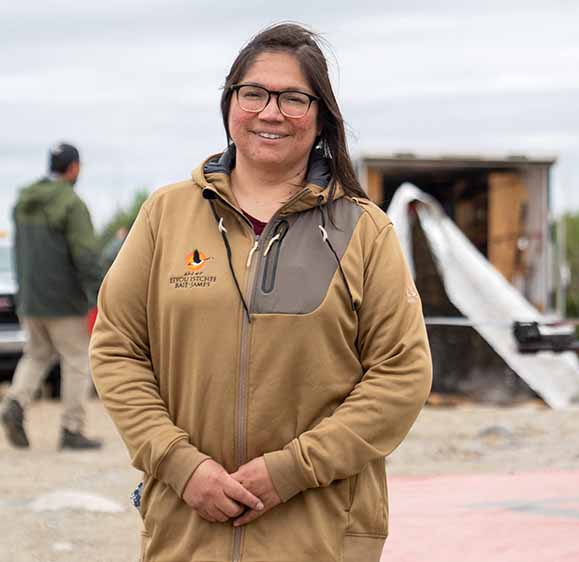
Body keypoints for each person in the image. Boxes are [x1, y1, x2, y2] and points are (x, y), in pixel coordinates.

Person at [89, 24, 432, 562]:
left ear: (321, 117)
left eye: (294, 98)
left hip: (319, 535)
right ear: (230, 105)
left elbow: (402, 375)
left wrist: (292, 470)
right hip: (186, 531)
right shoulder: (165, 214)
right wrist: (181, 464)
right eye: (254, 94)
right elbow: (116, 349)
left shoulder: (364, 230)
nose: (270, 112)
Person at [0, 142, 104, 450]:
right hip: (63, 300)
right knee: (76, 360)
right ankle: (71, 429)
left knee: (36, 354)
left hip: (30, 299)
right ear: (73, 168)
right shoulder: (71, 204)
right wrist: (101, 291)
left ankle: (16, 402)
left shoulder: (23, 201)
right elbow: (86, 255)